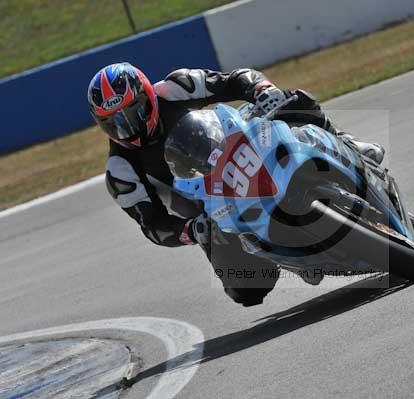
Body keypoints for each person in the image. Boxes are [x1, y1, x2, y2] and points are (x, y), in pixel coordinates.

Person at [87, 62, 384, 306]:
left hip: (240, 148)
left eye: (133, 112)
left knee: (294, 101)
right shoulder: (120, 170)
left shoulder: (176, 88)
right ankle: (285, 253)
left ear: (148, 95)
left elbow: (236, 79)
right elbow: (152, 225)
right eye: (114, 122)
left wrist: (262, 91)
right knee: (248, 290)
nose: (128, 127)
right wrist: (190, 231)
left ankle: (348, 143)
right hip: (210, 205)